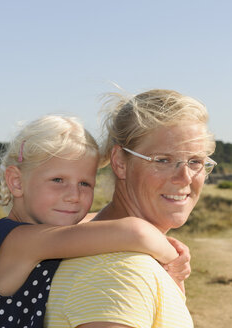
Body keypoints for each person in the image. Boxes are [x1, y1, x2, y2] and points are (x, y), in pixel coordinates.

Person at [0, 115, 189, 328]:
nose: (74, 196)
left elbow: (93, 222)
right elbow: (135, 233)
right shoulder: (15, 240)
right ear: (17, 182)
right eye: (58, 180)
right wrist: (173, 258)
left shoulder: (40, 235)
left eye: (85, 183)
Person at [45, 89, 217, 328]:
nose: (185, 177)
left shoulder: (104, 249)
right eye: (163, 160)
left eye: (196, 161)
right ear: (120, 162)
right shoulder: (119, 274)